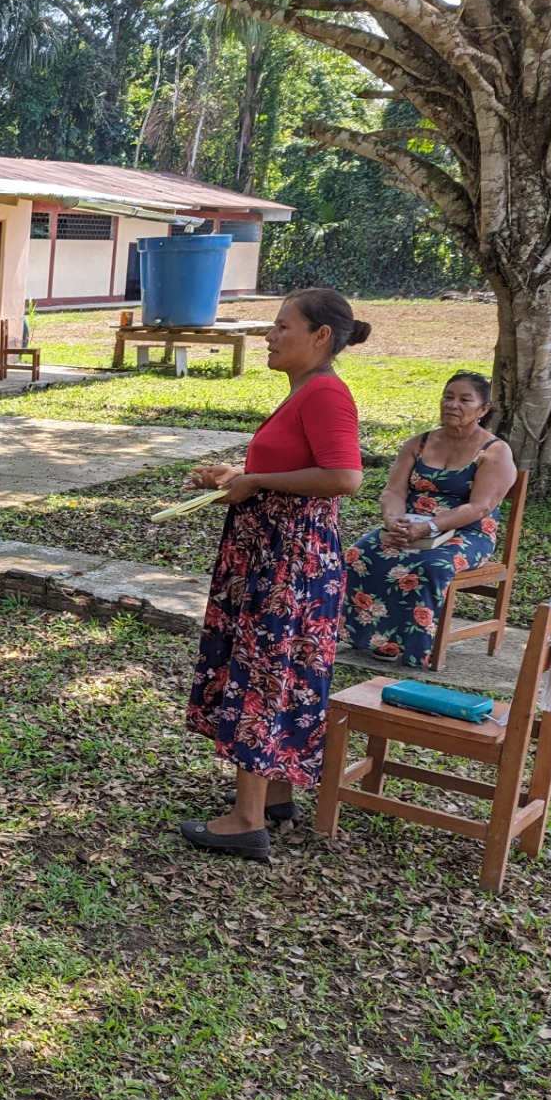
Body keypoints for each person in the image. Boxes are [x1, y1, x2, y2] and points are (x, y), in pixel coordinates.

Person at [180, 288, 369, 860]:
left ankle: (247, 818)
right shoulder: (306, 392)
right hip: (275, 552)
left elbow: (344, 477)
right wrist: (238, 475)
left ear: (320, 337)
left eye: (282, 326)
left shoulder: (326, 394)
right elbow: (295, 465)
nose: (269, 336)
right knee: (280, 669)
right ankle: (277, 793)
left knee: (266, 670)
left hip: (290, 560)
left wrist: (258, 483)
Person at [343, 371, 517, 665]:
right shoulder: (418, 443)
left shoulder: (495, 451)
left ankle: (412, 648)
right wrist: (393, 520)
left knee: (430, 565)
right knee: (360, 553)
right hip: (409, 524)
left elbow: (479, 507)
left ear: (483, 409)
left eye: (465, 399)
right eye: (448, 397)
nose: (453, 405)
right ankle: (364, 637)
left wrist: (430, 527)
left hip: (466, 532)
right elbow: (394, 490)